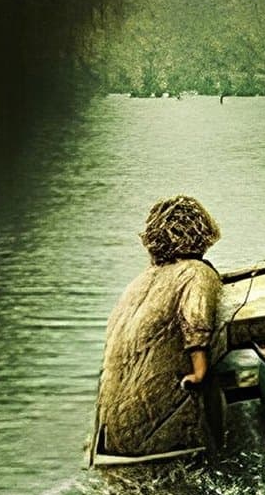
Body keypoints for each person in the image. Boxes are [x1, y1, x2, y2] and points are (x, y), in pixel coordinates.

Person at [94, 195, 228, 458]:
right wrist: (199, 370)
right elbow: (195, 319)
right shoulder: (196, 272)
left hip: (110, 429)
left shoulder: (138, 283)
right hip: (153, 420)